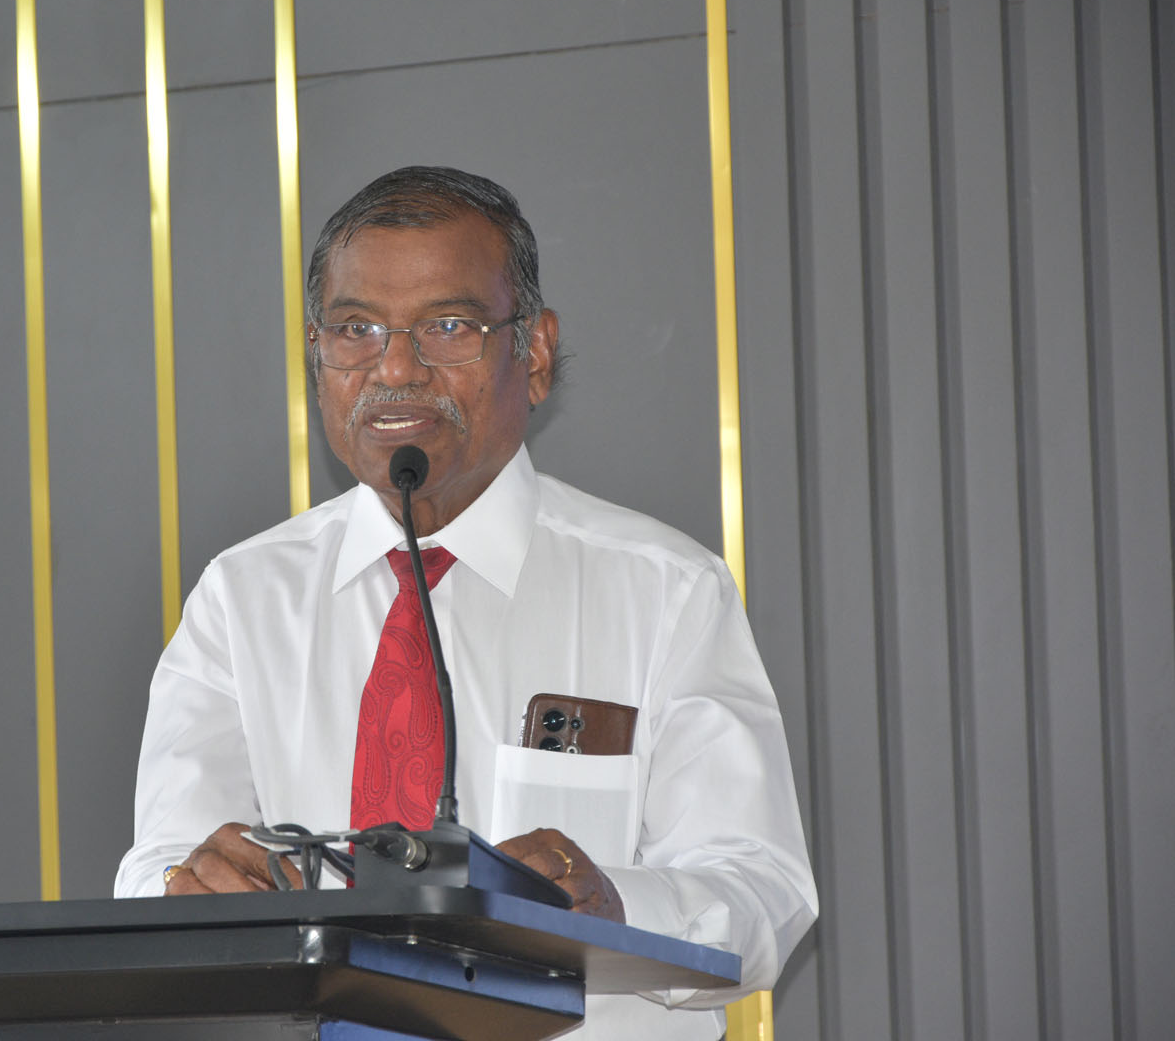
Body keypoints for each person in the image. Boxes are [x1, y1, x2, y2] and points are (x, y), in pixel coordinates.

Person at [114, 166, 817, 1040]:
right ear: (316, 357)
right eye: (356, 330)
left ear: (536, 353)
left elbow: (762, 892)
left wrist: (613, 905)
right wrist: (186, 886)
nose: (395, 368)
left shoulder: (664, 589)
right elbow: (155, 868)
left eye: (448, 327)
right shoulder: (244, 597)